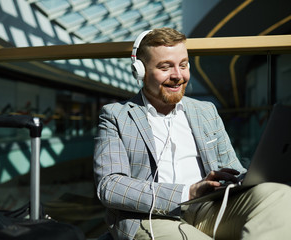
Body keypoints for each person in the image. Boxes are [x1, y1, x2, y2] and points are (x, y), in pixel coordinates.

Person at [93, 27, 291, 240]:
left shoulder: (205, 111)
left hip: (208, 208)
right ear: (140, 72)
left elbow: (232, 167)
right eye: (165, 67)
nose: (178, 76)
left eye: (184, 65)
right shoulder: (116, 115)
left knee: (279, 196)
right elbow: (110, 186)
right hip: (149, 217)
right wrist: (187, 192)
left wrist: (237, 179)